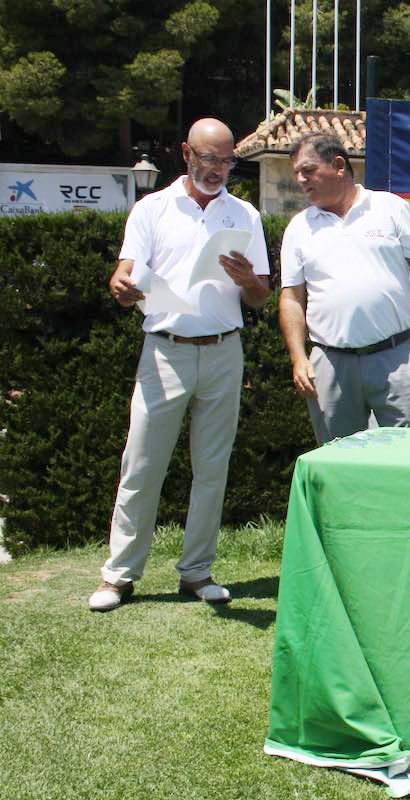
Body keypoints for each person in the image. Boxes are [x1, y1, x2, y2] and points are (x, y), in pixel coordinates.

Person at [89, 118, 271, 612]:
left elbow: (259, 298)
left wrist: (247, 279)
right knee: (142, 464)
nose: (217, 169)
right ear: (185, 154)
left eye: (227, 160)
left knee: (212, 468)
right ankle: (119, 575)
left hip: (224, 350)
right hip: (164, 351)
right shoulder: (152, 210)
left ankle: (196, 572)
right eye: (208, 159)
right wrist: (120, 288)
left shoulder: (245, 216)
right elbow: (124, 279)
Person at [278, 133, 410, 443]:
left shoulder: (389, 207)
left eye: (307, 169)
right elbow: (292, 298)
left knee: (408, 459)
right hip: (330, 364)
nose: (300, 179)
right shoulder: (299, 227)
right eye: (296, 172)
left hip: (395, 357)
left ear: (337, 165)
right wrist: (298, 357)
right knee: (338, 466)